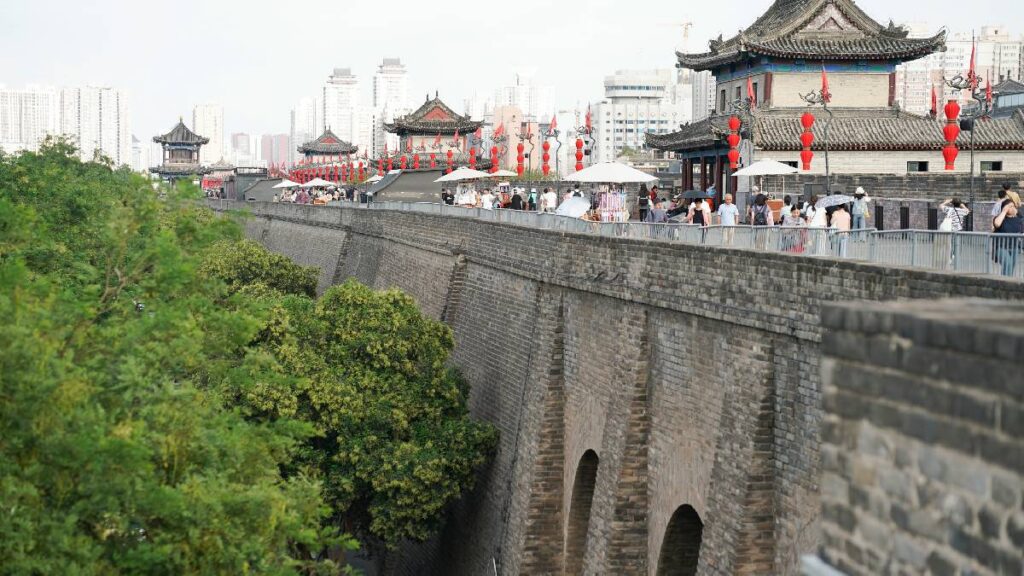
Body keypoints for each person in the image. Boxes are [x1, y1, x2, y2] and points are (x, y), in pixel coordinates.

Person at [993, 192, 1022, 277]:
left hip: (1014, 247)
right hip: (1001, 247)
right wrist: (1004, 211)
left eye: (1013, 206)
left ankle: (1007, 283)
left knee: (1011, 267)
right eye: (1010, 207)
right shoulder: (1000, 218)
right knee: (1007, 264)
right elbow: (997, 224)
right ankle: (1003, 283)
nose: (1012, 208)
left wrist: (1016, 212)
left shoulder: (1018, 219)